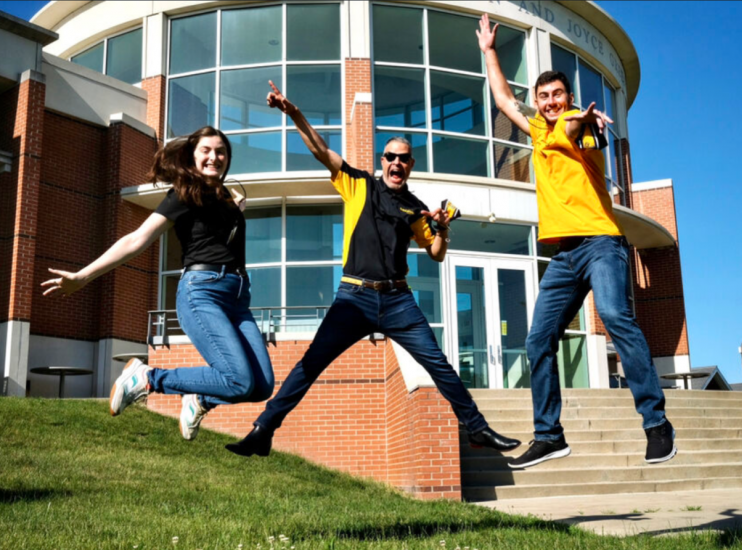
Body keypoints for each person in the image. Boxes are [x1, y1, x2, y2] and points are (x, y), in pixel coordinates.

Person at [225, 82, 520, 458]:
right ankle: (263, 430)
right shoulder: (359, 184)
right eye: (390, 156)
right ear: (383, 161)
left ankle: (477, 429)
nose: (397, 162)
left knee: (438, 363)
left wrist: (443, 228)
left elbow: (435, 252)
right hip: (354, 297)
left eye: (404, 158)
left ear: (411, 165)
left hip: (399, 301)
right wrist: (293, 112)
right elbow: (321, 150)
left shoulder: (416, 206)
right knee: (310, 364)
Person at [476, 14, 676, 468]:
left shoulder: (572, 125)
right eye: (543, 97)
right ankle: (549, 435)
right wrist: (489, 50)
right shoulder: (539, 131)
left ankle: (656, 423)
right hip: (564, 256)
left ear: (568, 98)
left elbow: (582, 132)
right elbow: (505, 98)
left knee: (613, 316)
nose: (549, 103)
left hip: (601, 244)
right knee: (537, 340)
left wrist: (588, 122)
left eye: (557, 95)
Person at [41, 126, 274, 441]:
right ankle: (147, 378)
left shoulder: (226, 199)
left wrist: (236, 211)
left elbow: (218, 237)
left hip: (238, 298)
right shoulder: (183, 193)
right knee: (239, 380)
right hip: (202, 292)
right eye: (206, 150)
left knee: (262, 385)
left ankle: (200, 398)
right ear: (192, 156)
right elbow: (136, 239)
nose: (214, 157)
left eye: (221, 151)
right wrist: (83, 276)